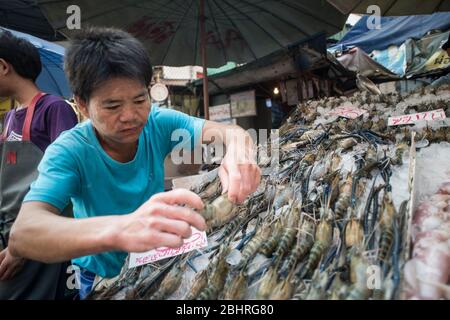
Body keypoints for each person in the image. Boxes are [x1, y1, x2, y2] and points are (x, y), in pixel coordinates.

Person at [8, 27, 261, 299]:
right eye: (112, 106)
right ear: (82, 104)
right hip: (99, 275)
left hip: (153, 263)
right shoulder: (69, 151)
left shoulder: (159, 123)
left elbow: (228, 132)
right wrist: (122, 228)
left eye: (140, 100)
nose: (130, 115)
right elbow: (24, 233)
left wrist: (239, 152)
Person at [0, 29, 78, 299]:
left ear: (3, 66)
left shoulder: (55, 109)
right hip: (11, 229)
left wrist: (25, 245)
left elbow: (69, 176)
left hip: (43, 229)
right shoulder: (10, 117)